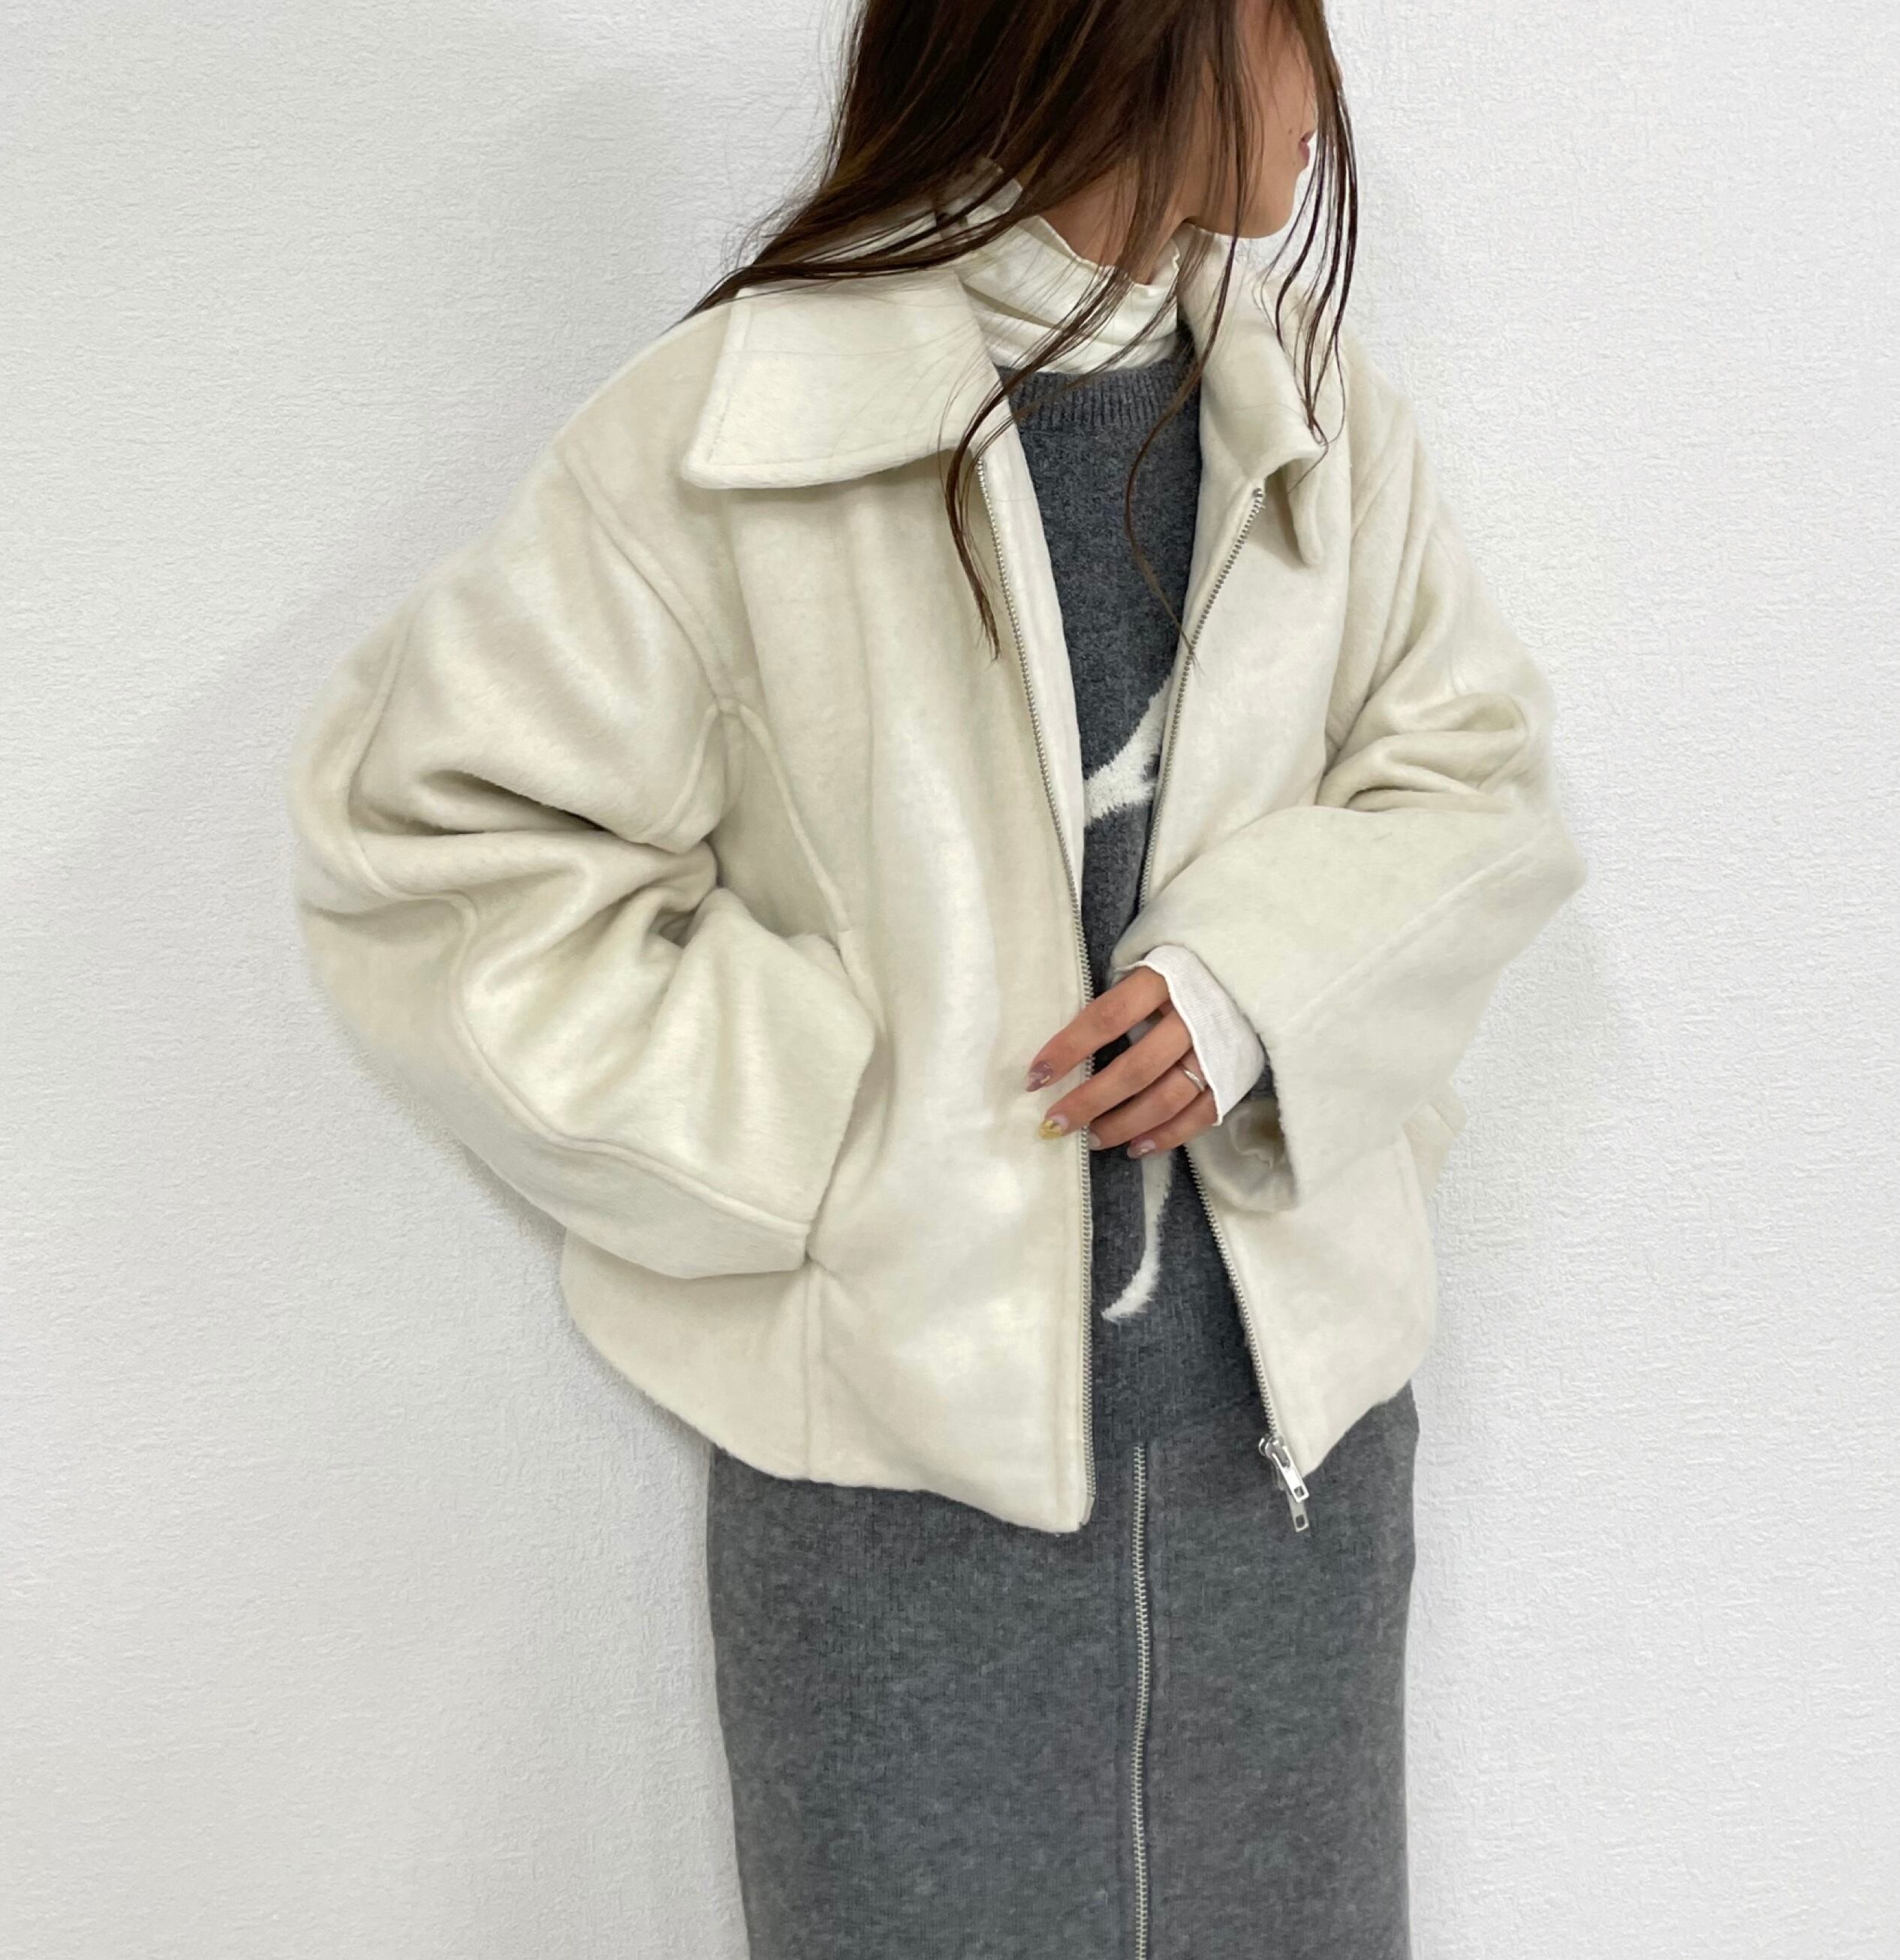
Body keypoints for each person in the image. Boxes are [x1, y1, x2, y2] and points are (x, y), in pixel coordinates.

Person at [282, 1, 1587, 1952]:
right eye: (1289, 22)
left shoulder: (1315, 413)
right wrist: (854, 1131)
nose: (1324, 91)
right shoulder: (740, 425)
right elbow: (433, 843)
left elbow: (1471, 778)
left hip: (1285, 1480)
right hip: (900, 1514)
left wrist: (1261, 988)